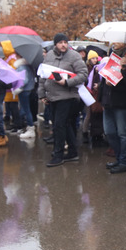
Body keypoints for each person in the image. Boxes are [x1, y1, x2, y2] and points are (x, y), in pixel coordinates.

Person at [39, 33, 88, 167]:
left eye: (65, 42)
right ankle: (72, 152)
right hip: (52, 96)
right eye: (60, 42)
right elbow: (43, 75)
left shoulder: (74, 56)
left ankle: (58, 154)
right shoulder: (49, 55)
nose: (63, 45)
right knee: (64, 124)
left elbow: (83, 74)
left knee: (59, 125)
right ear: (55, 44)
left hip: (68, 96)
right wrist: (42, 93)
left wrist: (67, 82)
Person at [97, 38, 126, 173]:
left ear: (125, 42)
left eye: (118, 40)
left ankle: (125, 161)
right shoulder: (112, 55)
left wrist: (116, 81)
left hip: (123, 102)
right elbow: (104, 80)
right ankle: (119, 158)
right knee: (110, 132)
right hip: (109, 101)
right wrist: (102, 98)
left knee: (123, 133)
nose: (114, 42)